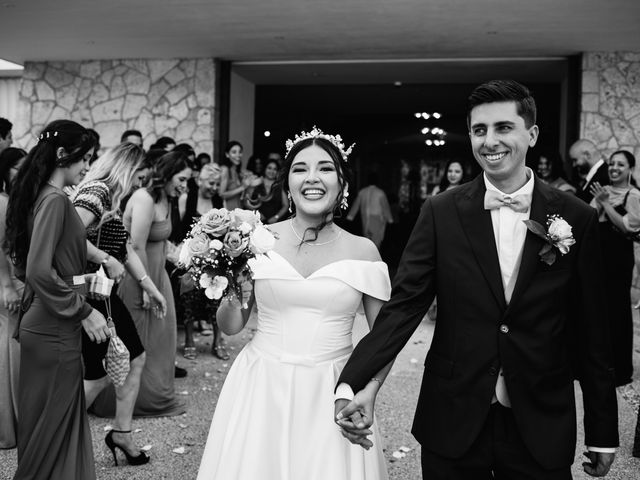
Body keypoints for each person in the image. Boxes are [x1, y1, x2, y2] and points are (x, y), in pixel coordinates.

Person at [336, 80, 618, 479]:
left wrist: (602, 431)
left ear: (532, 134)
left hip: (540, 417)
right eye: (479, 130)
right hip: (452, 415)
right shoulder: (440, 211)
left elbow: (593, 330)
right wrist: (356, 382)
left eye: (503, 127)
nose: (490, 141)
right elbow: (404, 307)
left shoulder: (577, 217)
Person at [197, 128, 392, 480]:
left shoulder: (364, 251)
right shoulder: (257, 239)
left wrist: (368, 392)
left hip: (335, 388)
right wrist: (228, 272)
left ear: (342, 182)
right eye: (301, 168)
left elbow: (385, 339)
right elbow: (230, 326)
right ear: (287, 182)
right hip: (261, 386)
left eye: (326, 168)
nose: (312, 178)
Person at [6, 120, 109, 480]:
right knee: (52, 429)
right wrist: (83, 311)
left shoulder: (39, 196)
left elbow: (27, 267)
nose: (87, 167)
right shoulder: (53, 200)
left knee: (48, 428)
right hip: (53, 328)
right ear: (63, 155)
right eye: (85, 159)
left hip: (46, 321)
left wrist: (78, 282)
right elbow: (36, 270)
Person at [73, 142, 168, 464]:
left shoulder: (112, 198)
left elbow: (124, 249)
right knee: (98, 374)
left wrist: (150, 287)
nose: (141, 184)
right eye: (140, 176)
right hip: (86, 293)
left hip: (105, 295)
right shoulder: (96, 192)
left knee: (136, 358)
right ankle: (55, 433)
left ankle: (122, 434)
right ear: (127, 168)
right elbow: (65, 233)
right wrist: (103, 257)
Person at [119, 151, 190, 416]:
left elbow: (160, 241)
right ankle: (136, 402)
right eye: (182, 179)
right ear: (167, 174)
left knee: (162, 338)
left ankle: (154, 394)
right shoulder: (145, 198)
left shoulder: (165, 199)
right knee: (141, 340)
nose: (185, 186)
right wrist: (147, 288)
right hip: (140, 279)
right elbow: (135, 246)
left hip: (159, 276)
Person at [590, 150, 639, 387]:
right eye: (612, 164)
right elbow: (589, 220)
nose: (614, 168)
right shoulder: (602, 191)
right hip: (599, 258)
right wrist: (600, 202)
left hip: (619, 260)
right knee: (599, 310)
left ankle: (620, 369)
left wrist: (606, 204)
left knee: (617, 310)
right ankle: (599, 364)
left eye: (620, 164)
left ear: (630, 169)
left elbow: (628, 228)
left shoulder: (634, 195)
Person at [177, 163, 227, 360]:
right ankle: (189, 340)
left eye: (217, 183)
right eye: (211, 183)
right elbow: (178, 226)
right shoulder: (186, 199)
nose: (214, 187)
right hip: (191, 257)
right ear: (200, 181)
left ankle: (217, 341)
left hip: (213, 259)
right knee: (189, 298)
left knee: (215, 299)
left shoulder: (218, 200)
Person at [0, 147, 25, 449]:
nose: (22, 173)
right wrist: (7, 285)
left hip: (8, 280)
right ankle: (11, 425)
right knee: (11, 349)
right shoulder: (4, 203)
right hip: (7, 283)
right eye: (18, 168)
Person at [346, 172, 393, 248]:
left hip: (365, 219)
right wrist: (390, 220)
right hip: (377, 220)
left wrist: (350, 217)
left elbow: (355, 206)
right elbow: (385, 208)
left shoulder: (362, 192)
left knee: (367, 241)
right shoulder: (380, 193)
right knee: (376, 242)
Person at [245, 158, 289, 224]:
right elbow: (246, 202)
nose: (272, 171)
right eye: (269, 168)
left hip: (273, 223)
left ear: (277, 171)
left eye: (275, 169)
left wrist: (276, 217)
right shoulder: (256, 182)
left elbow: (285, 205)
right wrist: (256, 213)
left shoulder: (279, 185)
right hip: (256, 222)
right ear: (265, 168)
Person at [570, 138, 609, 203]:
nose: (574, 165)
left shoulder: (605, 176)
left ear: (587, 155)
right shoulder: (595, 174)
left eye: (575, 160)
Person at [219, 140, 252, 209]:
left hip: (238, 208)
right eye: (234, 152)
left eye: (240, 152)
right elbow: (221, 194)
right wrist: (242, 187)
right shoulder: (225, 169)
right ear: (227, 154)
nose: (238, 155)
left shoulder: (237, 171)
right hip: (227, 211)